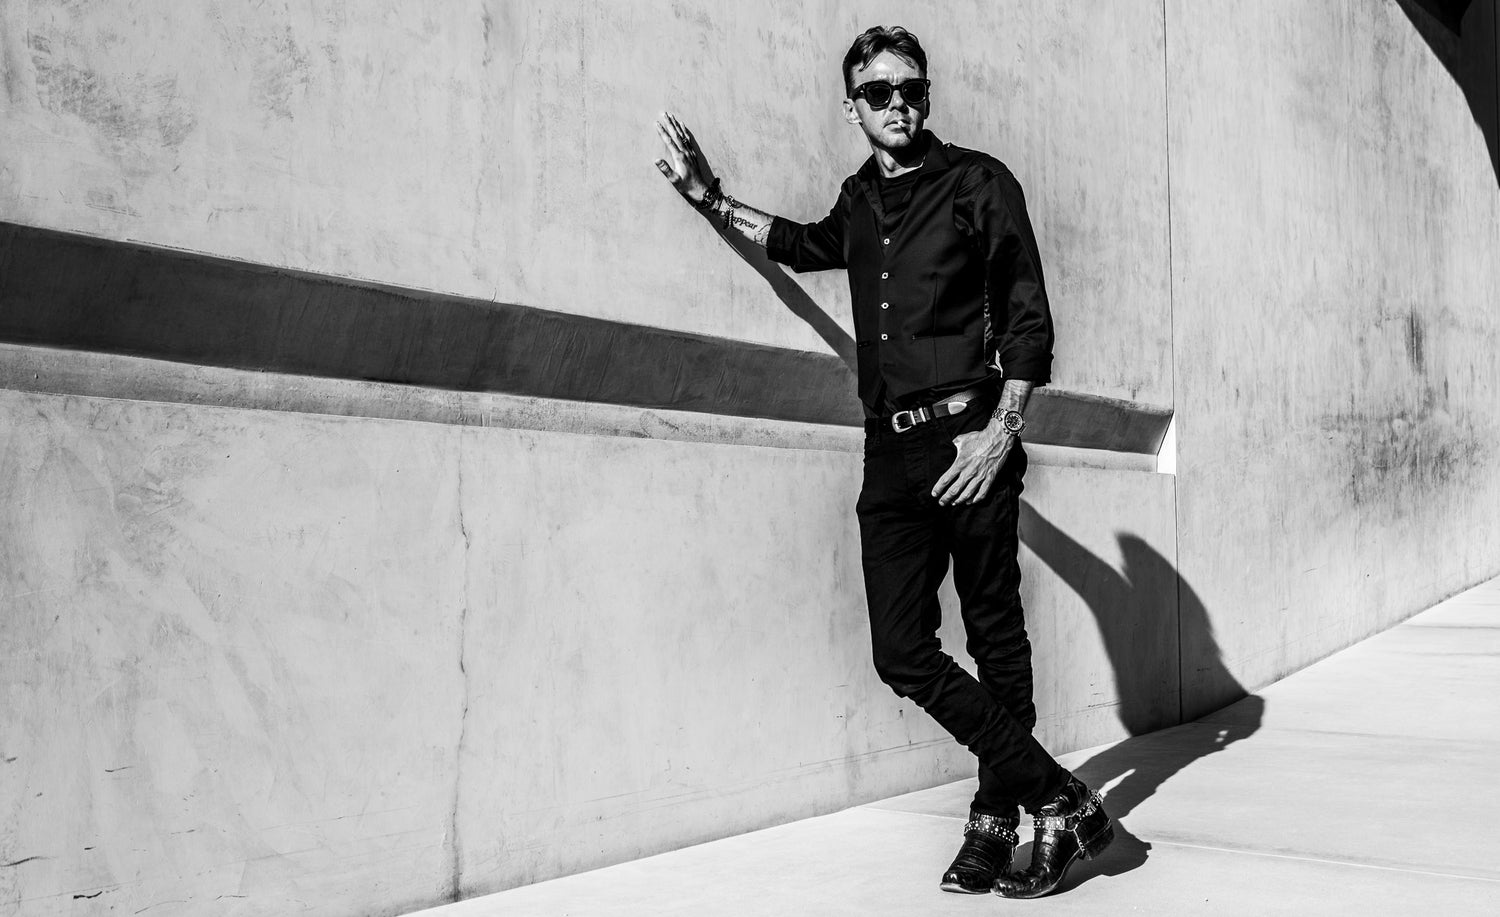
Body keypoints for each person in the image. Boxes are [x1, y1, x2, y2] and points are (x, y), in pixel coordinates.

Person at [652, 25, 1112, 899]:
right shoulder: (858, 202)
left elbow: (1026, 316)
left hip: (971, 435)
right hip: (889, 451)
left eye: (910, 88)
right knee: (900, 650)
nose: (896, 103)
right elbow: (798, 242)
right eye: (877, 92)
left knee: (993, 632)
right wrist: (710, 199)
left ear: (927, 95)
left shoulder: (979, 182)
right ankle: (1057, 795)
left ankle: (995, 818)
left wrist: (999, 434)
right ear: (852, 105)